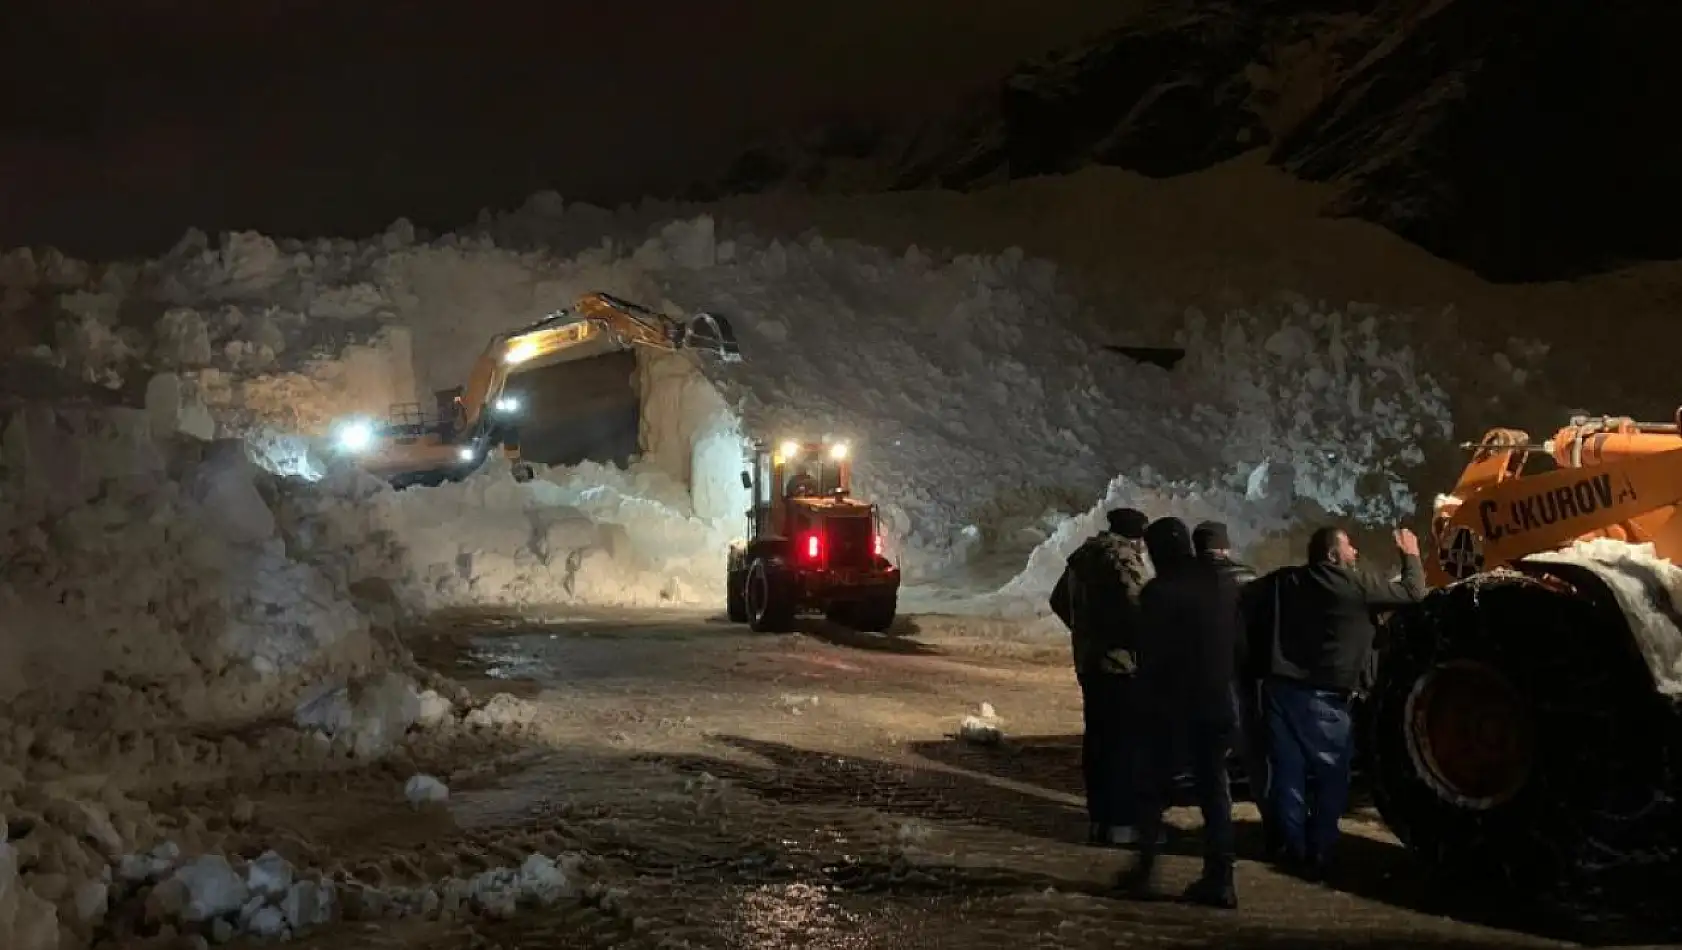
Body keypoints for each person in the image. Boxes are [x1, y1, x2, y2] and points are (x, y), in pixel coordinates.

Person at [1256, 525, 1427, 880]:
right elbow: (1413, 593)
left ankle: (1292, 846)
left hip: (1279, 692)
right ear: (1333, 556)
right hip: (1325, 699)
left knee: (1287, 774)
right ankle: (1320, 850)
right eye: (1349, 548)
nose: (1355, 554)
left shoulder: (1284, 582)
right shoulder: (1353, 585)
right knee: (1331, 776)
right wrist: (1411, 554)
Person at [1117, 516, 1244, 908]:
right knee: (1214, 790)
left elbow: (1151, 654)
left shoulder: (1159, 592)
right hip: (1221, 701)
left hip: (1172, 706)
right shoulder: (1222, 582)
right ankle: (1221, 877)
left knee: (1150, 788)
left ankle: (1144, 869)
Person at [1049, 507, 1154, 846]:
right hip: (1119, 665)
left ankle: (1099, 818)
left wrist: (1084, 631)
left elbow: (1057, 600)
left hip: (1090, 662)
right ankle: (1121, 823)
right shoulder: (1123, 560)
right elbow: (1141, 611)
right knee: (1123, 744)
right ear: (1137, 537)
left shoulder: (1083, 557)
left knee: (1097, 741)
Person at [1192, 520, 1271, 855]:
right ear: (1225, 547)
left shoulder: (1184, 580)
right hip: (1243, 675)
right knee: (1257, 756)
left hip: (1200, 679)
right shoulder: (1248, 577)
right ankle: (1274, 825)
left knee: (1209, 761)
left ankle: (1219, 835)